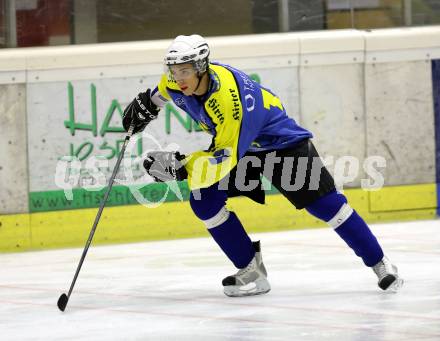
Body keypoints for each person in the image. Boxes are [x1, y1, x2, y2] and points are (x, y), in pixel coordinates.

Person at [122, 34, 403, 297]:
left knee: (326, 206)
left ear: (201, 66)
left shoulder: (228, 102)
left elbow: (223, 159)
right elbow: (161, 94)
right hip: (241, 148)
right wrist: (147, 105)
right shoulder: (175, 81)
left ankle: (380, 263)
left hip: (281, 145)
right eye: (175, 70)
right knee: (204, 200)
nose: (179, 78)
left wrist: (180, 167)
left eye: (185, 71)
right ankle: (251, 270)